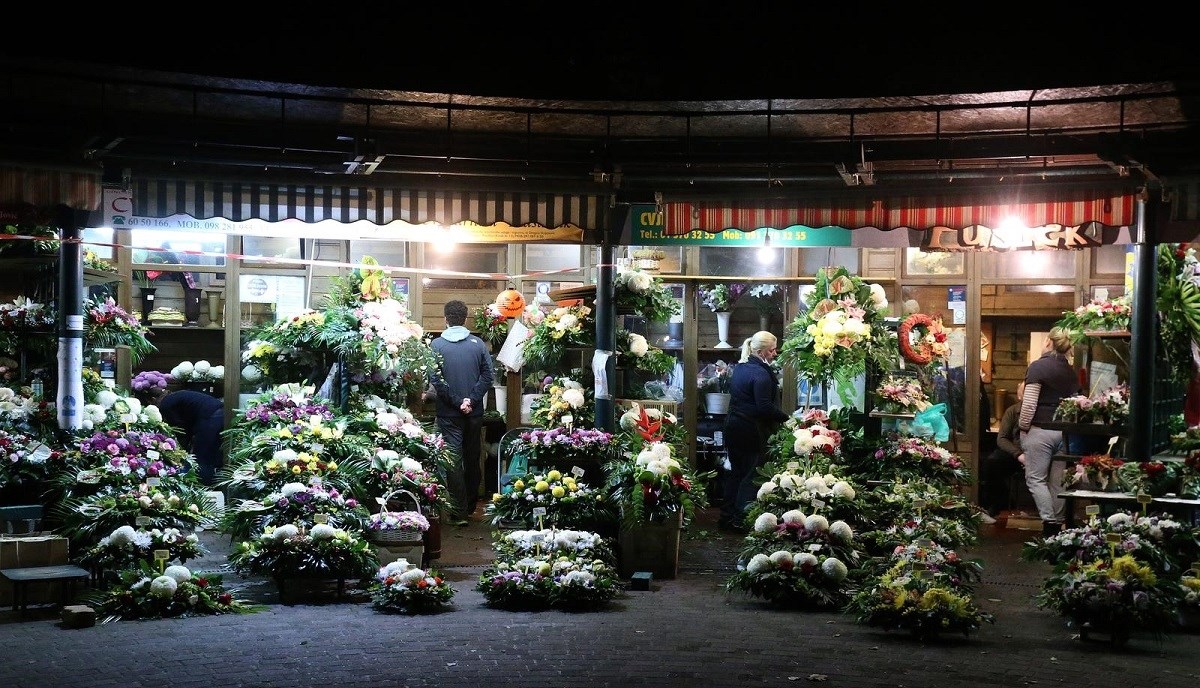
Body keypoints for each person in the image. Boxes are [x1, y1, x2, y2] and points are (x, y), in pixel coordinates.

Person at [429, 299, 494, 526]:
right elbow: (488, 376)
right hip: (474, 414)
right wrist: (471, 400)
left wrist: (457, 402)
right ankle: (471, 505)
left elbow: (436, 380)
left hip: (449, 415)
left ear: (446, 318)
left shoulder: (437, 345)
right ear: (465, 318)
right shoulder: (478, 345)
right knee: (472, 457)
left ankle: (459, 513)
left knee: (453, 461)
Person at [719, 331, 788, 532]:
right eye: (771, 350)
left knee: (736, 473)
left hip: (733, 427)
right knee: (749, 474)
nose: (775, 353)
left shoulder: (740, 368)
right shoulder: (760, 374)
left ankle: (726, 517)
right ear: (759, 351)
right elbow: (764, 407)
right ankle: (740, 519)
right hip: (750, 430)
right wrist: (788, 418)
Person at [1019, 327, 1081, 536]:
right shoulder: (1070, 371)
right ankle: (1059, 527)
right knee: (1057, 481)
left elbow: (1029, 404)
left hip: (1040, 430)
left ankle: (1049, 524)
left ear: (1048, 342)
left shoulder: (1038, 367)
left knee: (1036, 479)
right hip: (1063, 432)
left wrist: (1023, 428)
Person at [150, 388, 225, 486]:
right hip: (219, 413)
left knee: (202, 458)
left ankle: (203, 487)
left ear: (152, 399)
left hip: (210, 418)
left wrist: (180, 447)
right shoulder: (175, 396)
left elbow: (179, 429)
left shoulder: (165, 404)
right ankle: (211, 483)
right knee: (212, 455)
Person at [979, 382, 1026, 519]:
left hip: (1037, 453)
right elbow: (1002, 438)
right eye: (1024, 392)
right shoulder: (1012, 411)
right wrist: (1018, 454)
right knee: (991, 462)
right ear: (1019, 395)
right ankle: (995, 505)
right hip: (1015, 453)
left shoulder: (1041, 413)